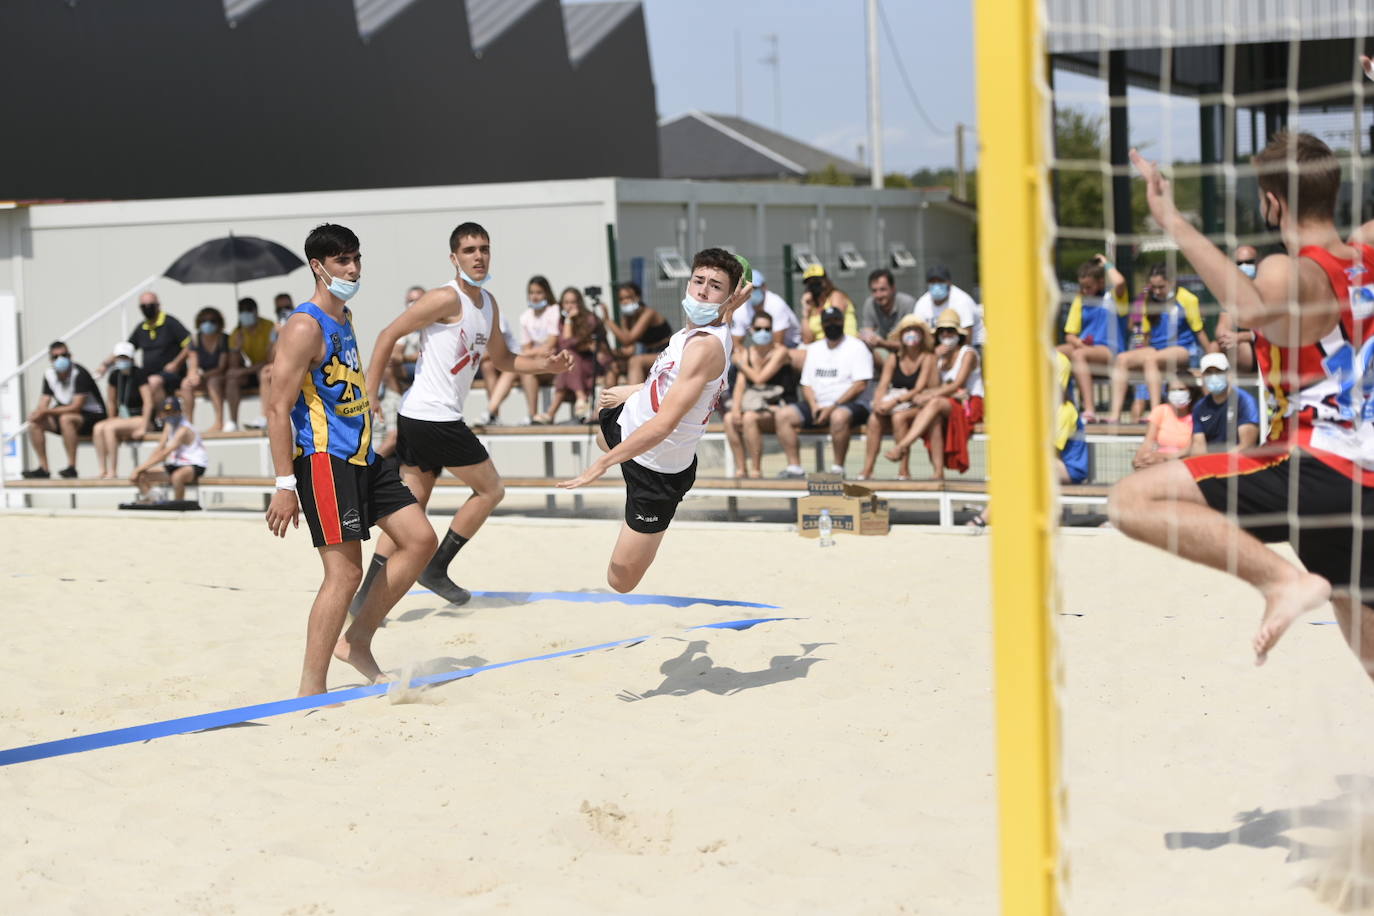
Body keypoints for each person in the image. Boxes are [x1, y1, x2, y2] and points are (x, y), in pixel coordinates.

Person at [1114, 133, 1374, 670]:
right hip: (1366, 486)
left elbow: (1252, 307)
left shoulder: (1289, 267)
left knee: (1131, 501)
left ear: (1271, 201)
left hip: (1316, 468)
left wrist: (1170, 218)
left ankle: (1279, 581)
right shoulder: (1367, 251)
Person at [349, 222, 573, 611]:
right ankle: (435, 568)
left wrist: (546, 366)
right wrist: (369, 395)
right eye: (469, 250)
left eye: (484, 248)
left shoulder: (488, 303)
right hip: (432, 417)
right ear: (454, 258)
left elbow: (503, 360)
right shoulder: (445, 298)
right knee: (491, 490)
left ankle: (365, 599)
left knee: (411, 510)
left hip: (421, 418)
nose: (479, 256)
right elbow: (387, 334)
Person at [264, 223, 437, 698]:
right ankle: (309, 690)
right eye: (342, 260)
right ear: (318, 266)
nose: (353, 268)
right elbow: (277, 407)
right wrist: (284, 484)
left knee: (420, 540)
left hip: (362, 454)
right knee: (344, 574)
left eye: (356, 258)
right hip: (324, 459)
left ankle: (356, 641)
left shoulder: (345, 315)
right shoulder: (304, 325)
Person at [555, 248, 753, 592]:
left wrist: (600, 465)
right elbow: (671, 380)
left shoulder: (705, 347)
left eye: (715, 286)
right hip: (627, 423)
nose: (703, 291)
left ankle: (626, 488)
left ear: (729, 296)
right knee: (607, 419)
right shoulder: (699, 326)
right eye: (698, 281)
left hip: (658, 468)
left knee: (621, 581)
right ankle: (618, 443)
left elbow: (663, 425)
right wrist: (634, 391)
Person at [969, 352, 1088, 528]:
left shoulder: (1064, 411)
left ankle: (985, 518)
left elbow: (1050, 454)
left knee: (1022, 470)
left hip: (1070, 469)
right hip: (1050, 463)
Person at [883, 309, 985, 480]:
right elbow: (934, 386)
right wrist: (935, 359)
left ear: (958, 334)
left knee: (934, 404)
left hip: (968, 405)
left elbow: (958, 384)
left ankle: (902, 446)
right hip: (946, 403)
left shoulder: (968, 353)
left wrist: (929, 395)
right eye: (941, 331)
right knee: (908, 417)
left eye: (950, 331)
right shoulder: (937, 357)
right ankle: (929, 472)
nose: (945, 334)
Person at [775, 305, 874, 478]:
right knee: (783, 415)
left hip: (853, 405)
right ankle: (795, 467)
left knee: (838, 417)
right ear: (821, 325)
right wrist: (814, 406)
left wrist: (833, 407)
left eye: (835, 320)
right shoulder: (814, 349)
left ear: (843, 322)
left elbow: (860, 385)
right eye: (827, 321)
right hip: (819, 405)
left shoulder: (857, 347)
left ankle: (838, 468)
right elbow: (806, 384)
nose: (831, 324)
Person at [1107, 264, 1211, 423]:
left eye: (1160, 287)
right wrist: (1139, 355)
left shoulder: (1187, 299)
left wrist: (1211, 355)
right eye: (1153, 287)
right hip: (1156, 350)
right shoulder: (1148, 300)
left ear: (1171, 282)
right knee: (1122, 359)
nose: (1156, 291)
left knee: (1152, 359)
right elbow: (1146, 335)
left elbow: (1199, 330)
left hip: (1182, 350)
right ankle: (1114, 415)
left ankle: (1155, 413)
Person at [723, 310, 800, 478]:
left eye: (767, 329)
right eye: (758, 329)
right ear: (751, 330)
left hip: (780, 407)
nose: (762, 333)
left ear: (773, 330)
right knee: (729, 419)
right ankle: (741, 469)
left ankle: (756, 470)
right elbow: (740, 386)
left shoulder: (780, 352)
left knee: (750, 418)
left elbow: (759, 378)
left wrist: (741, 364)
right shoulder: (748, 353)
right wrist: (736, 409)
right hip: (755, 405)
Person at [859, 315, 935, 481]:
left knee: (899, 418)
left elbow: (919, 388)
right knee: (874, 418)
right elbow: (883, 384)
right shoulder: (894, 358)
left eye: (915, 330)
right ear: (901, 335)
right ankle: (868, 469)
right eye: (907, 330)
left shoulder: (927, 357)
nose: (911, 334)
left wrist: (894, 401)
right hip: (896, 403)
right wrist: (879, 402)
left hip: (917, 404)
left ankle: (904, 470)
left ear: (922, 335)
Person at [1056, 255, 1129, 421]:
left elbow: (1119, 282)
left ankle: (1090, 409)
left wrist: (1106, 263)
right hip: (1086, 348)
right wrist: (1077, 342)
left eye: (1088, 287)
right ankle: (1065, 404)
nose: (1084, 291)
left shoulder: (1114, 297)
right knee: (1054, 354)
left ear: (1101, 283)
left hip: (1110, 350)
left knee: (1078, 355)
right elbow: (1070, 335)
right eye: (1082, 286)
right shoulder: (1080, 300)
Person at [22, 340, 107, 479]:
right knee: (35, 423)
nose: (61, 359)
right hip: (68, 415)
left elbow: (76, 406)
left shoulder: (80, 373)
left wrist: (45, 411)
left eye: (64, 355)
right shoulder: (49, 374)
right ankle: (43, 469)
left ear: (70, 356)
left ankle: (71, 467)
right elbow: (44, 401)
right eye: (56, 357)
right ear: (50, 359)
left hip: (93, 417)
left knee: (66, 419)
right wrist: (39, 413)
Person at [96, 292, 191, 406]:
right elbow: (125, 349)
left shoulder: (170, 323)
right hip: (149, 374)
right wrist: (105, 365)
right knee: (132, 382)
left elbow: (190, 344)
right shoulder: (142, 328)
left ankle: (161, 418)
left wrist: (176, 363)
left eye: (150, 305)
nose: (147, 309)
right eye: (143, 306)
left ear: (158, 305)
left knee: (152, 382)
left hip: (173, 375)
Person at [93, 341, 155, 478]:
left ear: (131, 358)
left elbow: (148, 402)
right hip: (124, 418)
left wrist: (144, 427)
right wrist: (111, 418)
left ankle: (113, 471)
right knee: (98, 428)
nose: (122, 361)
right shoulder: (115, 375)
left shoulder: (139, 374)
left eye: (125, 357)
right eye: (119, 358)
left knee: (110, 428)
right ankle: (102, 469)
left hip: (140, 418)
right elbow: (111, 401)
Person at [539, 287, 601, 424]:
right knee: (568, 361)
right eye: (566, 302)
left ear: (579, 303)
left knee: (569, 359)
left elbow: (566, 343)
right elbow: (565, 345)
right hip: (573, 366)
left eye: (573, 302)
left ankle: (551, 413)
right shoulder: (561, 321)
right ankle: (581, 397)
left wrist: (569, 321)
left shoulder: (590, 319)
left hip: (587, 363)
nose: (569, 306)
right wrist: (568, 320)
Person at [129, 396, 208, 502]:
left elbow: (164, 453)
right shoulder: (169, 425)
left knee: (177, 477)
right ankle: (153, 499)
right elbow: (159, 448)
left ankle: (178, 504)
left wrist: (139, 468)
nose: (170, 415)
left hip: (195, 464)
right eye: (167, 412)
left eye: (173, 411)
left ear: (180, 411)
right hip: (176, 464)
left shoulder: (184, 429)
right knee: (141, 476)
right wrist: (142, 469)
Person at [597, 282, 673, 385]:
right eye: (621, 299)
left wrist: (608, 321)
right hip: (649, 354)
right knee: (614, 366)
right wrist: (610, 352)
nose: (624, 302)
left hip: (665, 352)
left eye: (628, 297)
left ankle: (634, 399)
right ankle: (609, 400)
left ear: (637, 297)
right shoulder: (628, 318)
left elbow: (627, 339)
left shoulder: (648, 313)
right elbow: (629, 349)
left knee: (636, 361)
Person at [169, 307, 230, 430]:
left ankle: (219, 421)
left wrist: (201, 376)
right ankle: (188, 423)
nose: (208, 324)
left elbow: (221, 367)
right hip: (204, 377)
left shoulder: (223, 339)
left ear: (218, 323)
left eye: (212, 321)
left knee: (213, 382)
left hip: (221, 377)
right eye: (204, 320)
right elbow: (193, 363)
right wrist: (193, 376)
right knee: (186, 384)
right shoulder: (195, 339)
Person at [1191, 352, 1261, 454]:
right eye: (1209, 372)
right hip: (1210, 464)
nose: (1213, 376)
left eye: (1218, 371)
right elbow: (1199, 447)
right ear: (1202, 377)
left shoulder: (1245, 401)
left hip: (1240, 464)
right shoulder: (1199, 407)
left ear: (1229, 374)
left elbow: (1247, 446)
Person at [517, 275, 563, 424]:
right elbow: (526, 348)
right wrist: (535, 351)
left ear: (547, 294)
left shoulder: (554, 310)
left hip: (553, 364)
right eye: (531, 293)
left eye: (539, 292)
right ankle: (533, 415)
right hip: (537, 364)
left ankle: (493, 411)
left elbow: (551, 344)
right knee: (520, 369)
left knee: (523, 366)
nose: (534, 297)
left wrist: (530, 352)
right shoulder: (525, 317)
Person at [225, 297, 274, 431]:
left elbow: (270, 360)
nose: (245, 313)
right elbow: (234, 366)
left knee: (264, 372)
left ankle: (265, 417)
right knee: (232, 379)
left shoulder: (269, 327)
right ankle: (233, 421)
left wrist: (244, 371)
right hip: (252, 371)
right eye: (242, 310)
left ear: (255, 311)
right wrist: (237, 348)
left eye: (248, 310)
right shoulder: (237, 332)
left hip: (268, 369)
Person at [1132, 376, 1197, 469]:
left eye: (1181, 389)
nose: (1177, 393)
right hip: (1158, 463)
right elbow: (1147, 442)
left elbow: (1193, 448)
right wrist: (1139, 458)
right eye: (1173, 390)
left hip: (1184, 464)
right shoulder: (1160, 410)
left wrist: (1165, 457)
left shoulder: (1197, 414)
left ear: (1191, 391)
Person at [1213, 245, 1260, 373]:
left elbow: (1269, 333)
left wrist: (1240, 337)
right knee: (1214, 347)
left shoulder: (1268, 287)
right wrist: (1225, 336)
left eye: (1249, 262)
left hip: (1265, 347)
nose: (1244, 266)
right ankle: (1218, 392)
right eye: (1239, 263)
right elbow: (1222, 327)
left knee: (1239, 346)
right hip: (1239, 345)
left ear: (1258, 263)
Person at [729, 269, 801, 351]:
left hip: (792, 346)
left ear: (764, 287)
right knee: (736, 357)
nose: (751, 291)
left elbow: (778, 344)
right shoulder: (741, 309)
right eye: (747, 288)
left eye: (754, 288)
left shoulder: (776, 305)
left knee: (780, 353)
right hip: (763, 350)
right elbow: (736, 344)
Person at [913, 264, 981, 343]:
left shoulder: (962, 301)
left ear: (949, 282)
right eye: (933, 281)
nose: (936, 285)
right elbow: (918, 332)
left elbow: (967, 336)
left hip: (974, 344)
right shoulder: (922, 303)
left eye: (940, 281)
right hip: (940, 345)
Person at [860, 268, 917, 358]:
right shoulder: (870, 304)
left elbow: (912, 342)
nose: (878, 295)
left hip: (907, 351)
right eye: (874, 291)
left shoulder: (907, 303)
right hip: (882, 350)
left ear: (893, 288)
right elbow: (867, 331)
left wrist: (883, 343)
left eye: (883, 289)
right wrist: (866, 337)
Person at [799, 265, 858, 343]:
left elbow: (834, 329)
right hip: (821, 348)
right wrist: (805, 313)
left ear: (825, 281)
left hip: (843, 344)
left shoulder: (836, 296)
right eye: (810, 283)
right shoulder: (811, 307)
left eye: (817, 281)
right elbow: (807, 340)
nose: (814, 286)